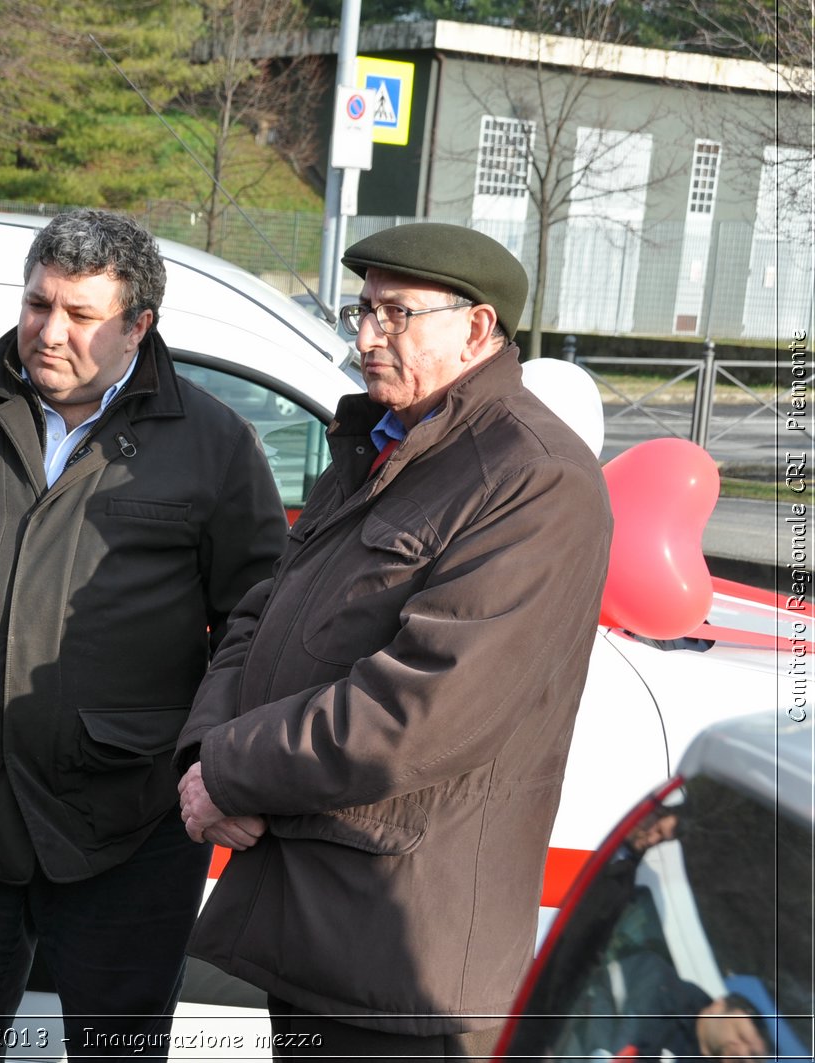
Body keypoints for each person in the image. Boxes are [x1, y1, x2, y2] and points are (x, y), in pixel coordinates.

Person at [0, 209, 288, 1058]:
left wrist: (219, 758)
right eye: (38, 304)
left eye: (80, 315)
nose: (48, 331)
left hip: (131, 823)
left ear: (139, 324)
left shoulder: (211, 443)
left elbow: (257, 620)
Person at [175, 223, 615, 1059]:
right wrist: (204, 752)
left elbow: (420, 708)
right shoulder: (386, 439)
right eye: (363, 310)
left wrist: (228, 769)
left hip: (403, 957)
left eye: (395, 314)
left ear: (477, 329)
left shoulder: (533, 478)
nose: (367, 338)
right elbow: (261, 614)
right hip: (317, 928)